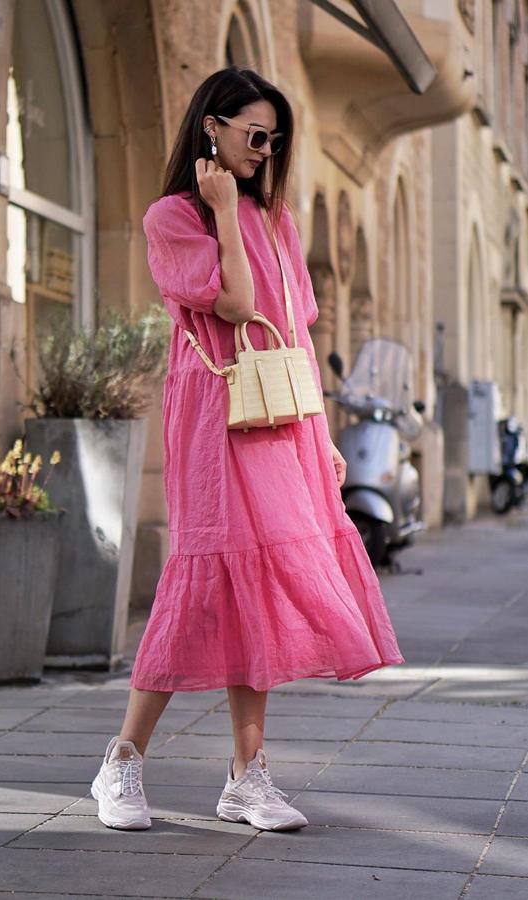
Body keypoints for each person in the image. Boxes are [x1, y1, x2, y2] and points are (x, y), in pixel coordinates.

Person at [90, 66, 405, 832]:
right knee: (201, 580)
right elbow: (231, 304)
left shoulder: (279, 221)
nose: (265, 150)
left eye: (274, 138)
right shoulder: (172, 217)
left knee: (262, 588)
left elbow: (294, 329)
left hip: (282, 415)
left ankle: (246, 777)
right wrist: (224, 214)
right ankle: (122, 762)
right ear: (212, 128)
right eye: (254, 134)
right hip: (211, 413)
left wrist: (322, 434)